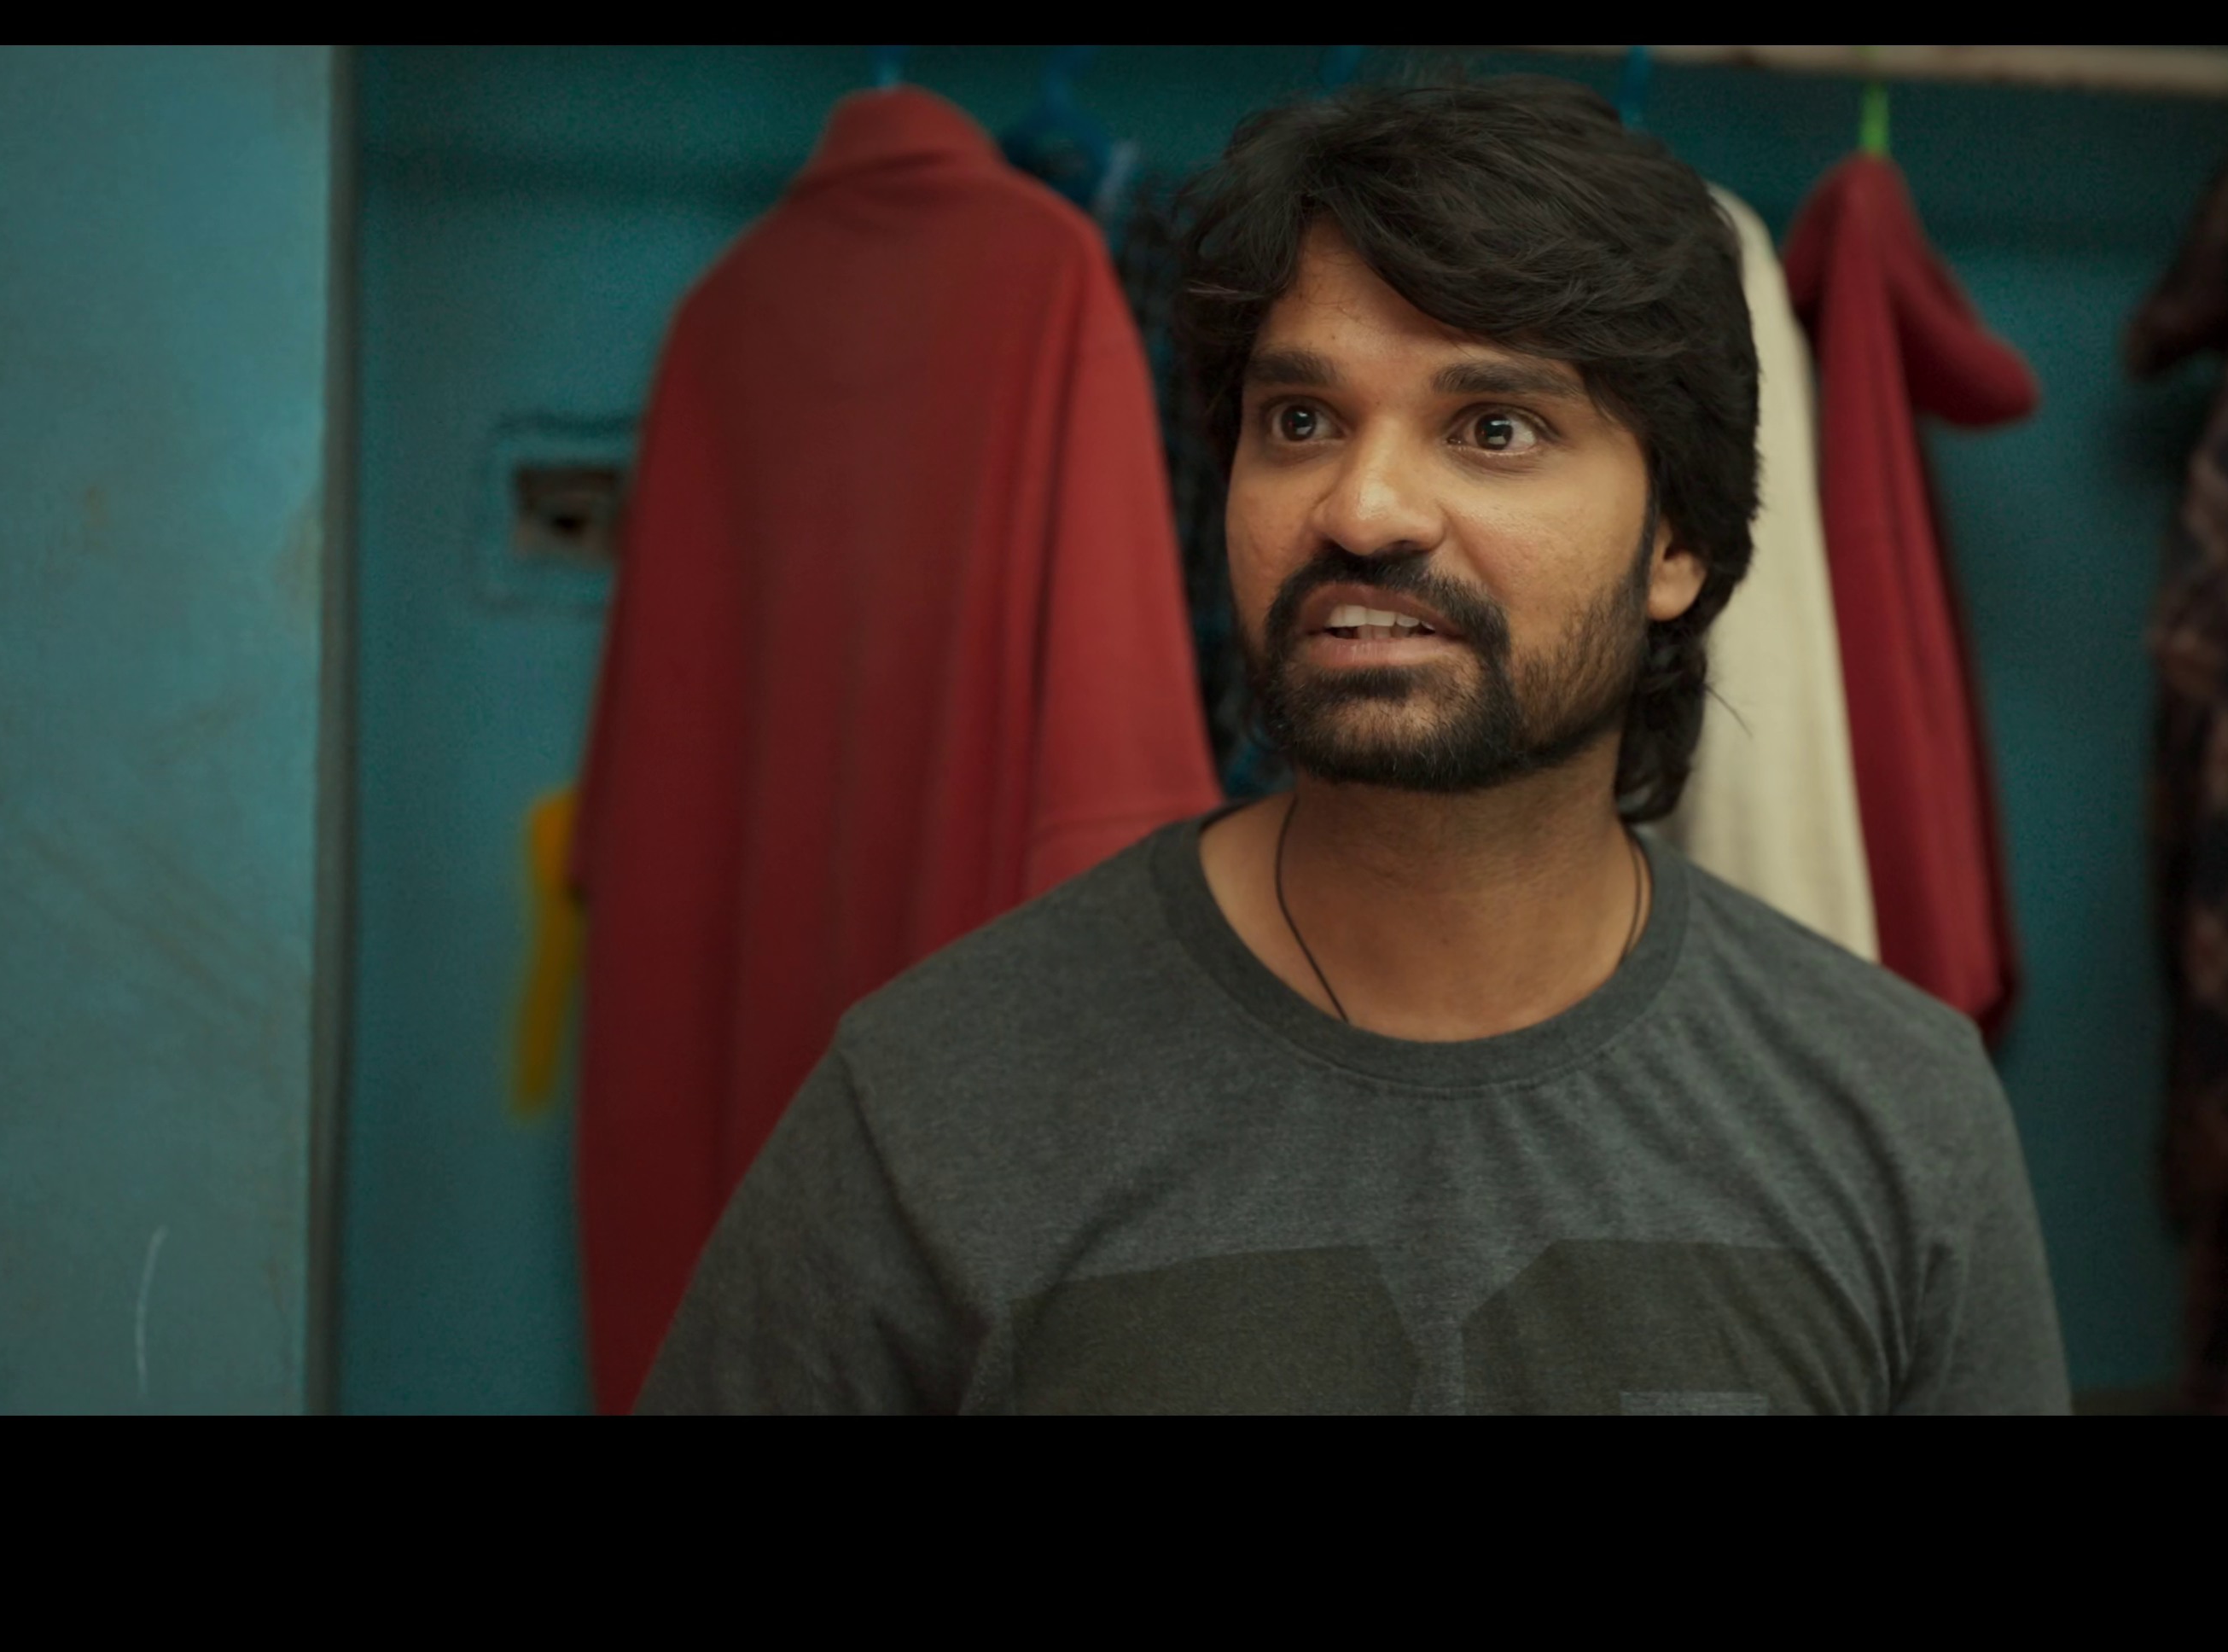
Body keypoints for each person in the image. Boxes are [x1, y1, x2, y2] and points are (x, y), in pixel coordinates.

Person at [638, 78, 2068, 1414]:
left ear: (1676, 546)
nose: (1363, 508)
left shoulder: (1896, 1112)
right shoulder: (934, 1102)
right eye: (1303, 420)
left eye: (1494, 427)